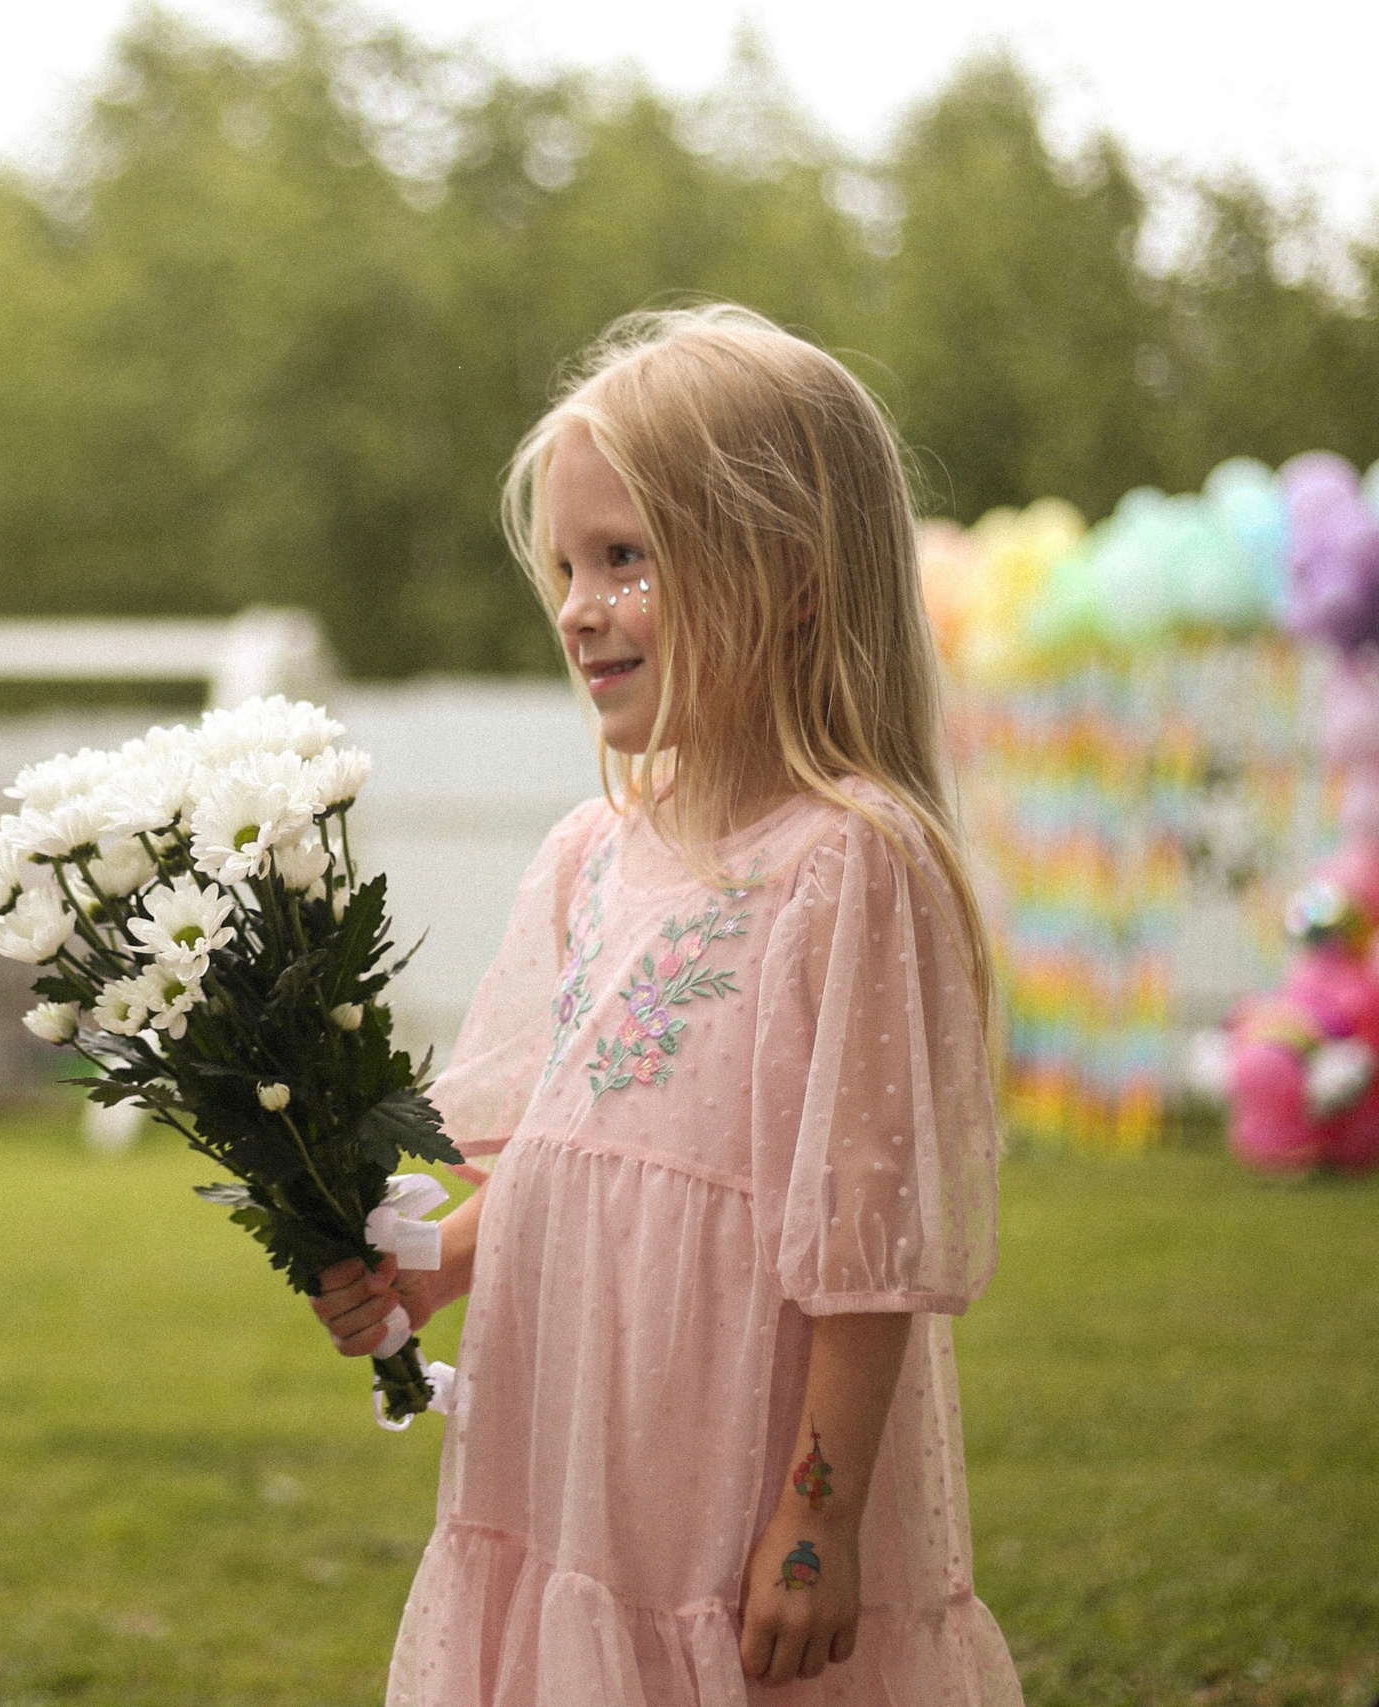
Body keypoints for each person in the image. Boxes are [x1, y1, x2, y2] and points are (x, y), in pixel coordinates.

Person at [312, 305, 1022, 1705]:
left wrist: (816, 1516)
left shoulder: (846, 863)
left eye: (627, 558)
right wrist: (435, 1266)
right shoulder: (595, 854)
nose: (579, 604)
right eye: (571, 563)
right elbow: (567, 1156)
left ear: (795, 575)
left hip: (724, 1473)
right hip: (569, 1462)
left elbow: (863, 1245)